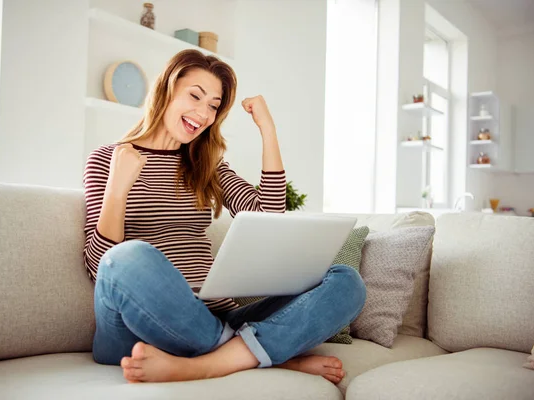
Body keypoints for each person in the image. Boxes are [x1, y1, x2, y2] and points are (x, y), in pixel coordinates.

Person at [82, 49, 366, 384]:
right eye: (195, 96)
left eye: (213, 105)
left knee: (347, 282)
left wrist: (268, 129)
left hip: (216, 317)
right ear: (166, 90)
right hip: (133, 330)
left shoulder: (206, 165)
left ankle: (206, 363)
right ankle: (259, 356)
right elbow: (101, 264)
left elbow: (269, 218)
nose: (203, 113)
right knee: (127, 257)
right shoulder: (107, 159)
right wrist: (118, 187)